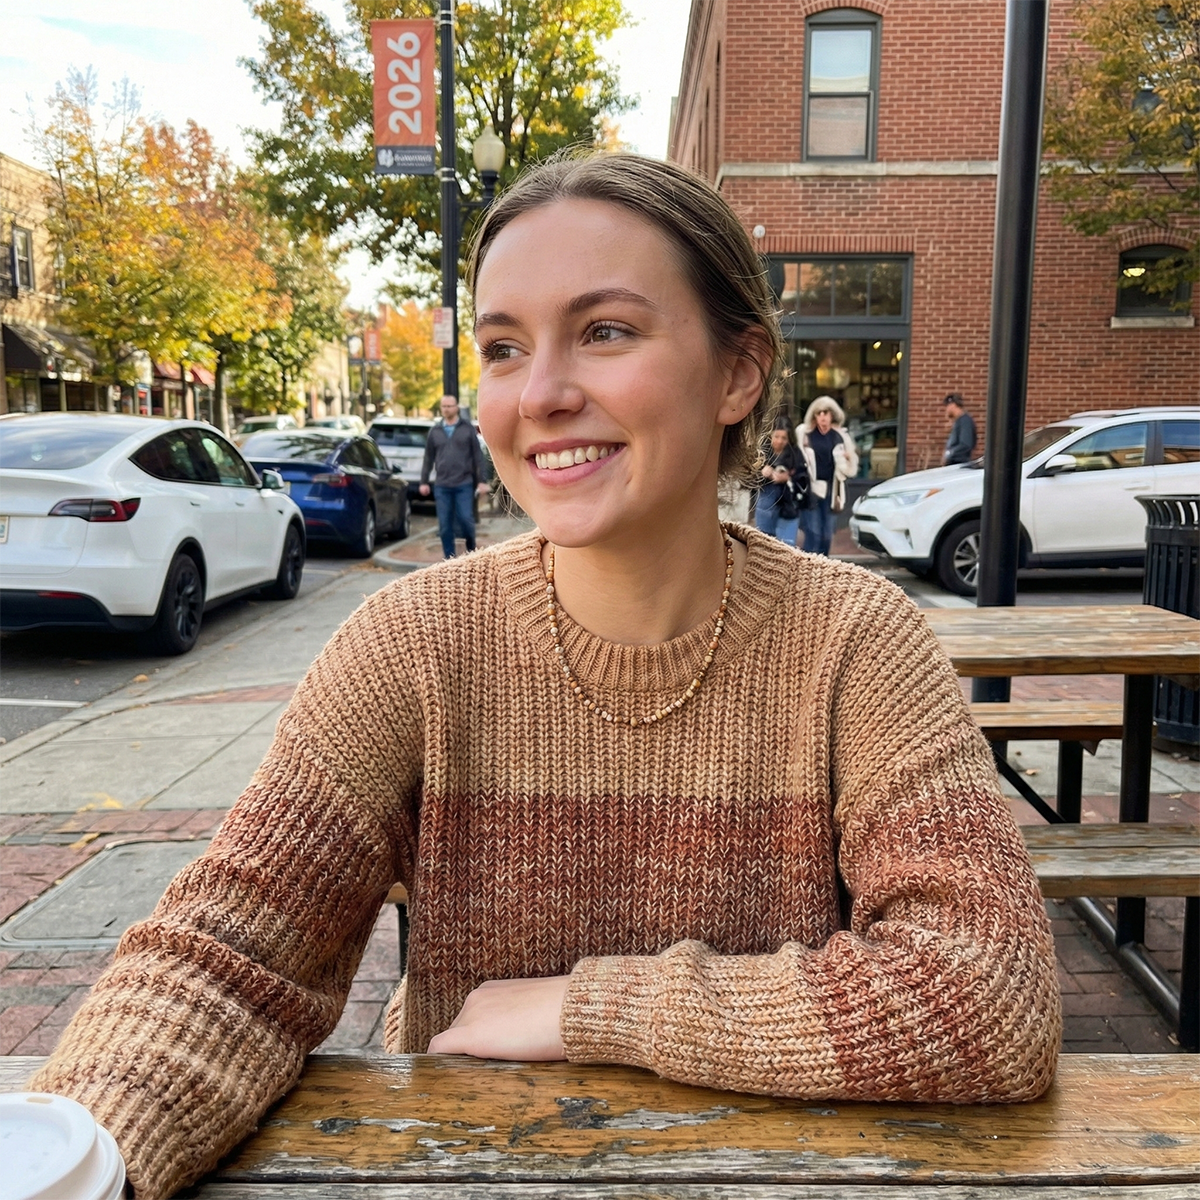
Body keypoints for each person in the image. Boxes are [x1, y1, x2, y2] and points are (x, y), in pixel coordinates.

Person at [31, 153, 1059, 1200]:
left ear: (739, 372)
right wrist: (83, 1154)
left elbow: (991, 992)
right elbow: (229, 956)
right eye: (504, 348)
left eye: (605, 331)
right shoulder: (413, 645)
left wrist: (589, 1011)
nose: (544, 394)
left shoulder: (859, 642)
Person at [419, 394, 490, 557]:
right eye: (443, 406)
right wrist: (424, 481)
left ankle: (471, 552)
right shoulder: (435, 431)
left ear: (456, 407)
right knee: (444, 526)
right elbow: (428, 458)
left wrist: (482, 481)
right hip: (442, 485)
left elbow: (478, 456)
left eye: (449, 406)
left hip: (463, 483)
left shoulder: (466, 429)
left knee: (466, 520)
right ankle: (449, 559)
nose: (446, 409)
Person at [798, 396, 858, 556]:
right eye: (819, 413)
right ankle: (808, 569)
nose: (823, 416)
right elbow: (797, 459)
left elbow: (850, 469)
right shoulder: (805, 434)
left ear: (832, 415)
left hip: (832, 491)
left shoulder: (839, 437)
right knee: (813, 533)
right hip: (812, 490)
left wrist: (848, 459)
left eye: (826, 412)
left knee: (826, 534)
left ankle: (823, 567)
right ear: (815, 416)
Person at [754, 419, 808, 546]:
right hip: (765, 506)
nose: (779, 441)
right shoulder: (761, 452)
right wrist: (762, 472)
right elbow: (747, 480)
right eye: (776, 436)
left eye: (784, 438)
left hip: (788, 506)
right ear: (770, 435)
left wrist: (788, 478)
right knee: (764, 546)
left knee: (787, 547)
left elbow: (804, 479)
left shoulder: (795, 454)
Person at [943, 392, 978, 464]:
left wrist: (949, 453)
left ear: (953, 405)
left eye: (947, 406)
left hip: (958, 463)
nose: (946, 410)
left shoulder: (965, 421)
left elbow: (965, 445)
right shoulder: (959, 421)